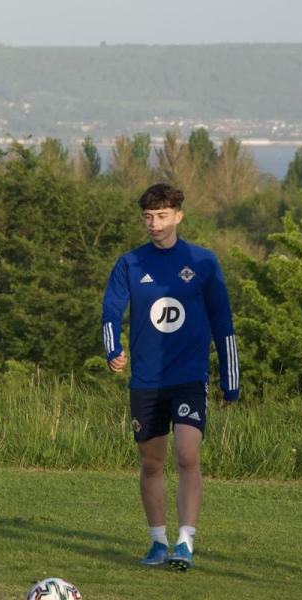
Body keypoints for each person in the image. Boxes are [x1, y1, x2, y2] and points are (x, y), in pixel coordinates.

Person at [101, 183, 240, 571]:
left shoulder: (203, 261)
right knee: (151, 462)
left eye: (161, 216)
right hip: (146, 381)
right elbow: (111, 313)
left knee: (187, 453)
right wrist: (113, 351)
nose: (154, 224)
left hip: (189, 376)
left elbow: (223, 323)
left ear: (178, 216)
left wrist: (232, 379)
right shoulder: (130, 263)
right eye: (148, 217)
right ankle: (158, 542)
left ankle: (185, 542)